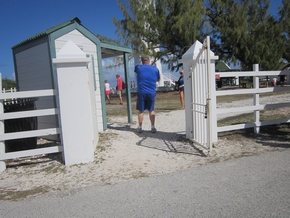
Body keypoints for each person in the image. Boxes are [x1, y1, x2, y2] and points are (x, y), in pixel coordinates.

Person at [134, 55, 160, 133]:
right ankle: (152, 127)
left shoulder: (138, 67)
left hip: (142, 91)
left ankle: (140, 127)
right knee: (151, 110)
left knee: (141, 110)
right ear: (149, 60)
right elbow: (158, 79)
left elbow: (136, 67)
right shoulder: (155, 69)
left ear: (142, 61)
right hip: (151, 92)